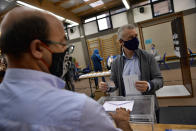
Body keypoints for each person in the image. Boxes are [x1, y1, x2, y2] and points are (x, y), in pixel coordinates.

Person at [0, 7, 133, 131]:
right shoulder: (80, 109)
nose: (66, 52)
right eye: (62, 44)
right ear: (38, 49)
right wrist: (121, 122)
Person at [99, 24, 163, 122]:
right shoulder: (116, 62)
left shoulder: (148, 57)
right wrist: (107, 86)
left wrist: (149, 85)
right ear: (121, 42)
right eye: (131, 37)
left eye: (136, 36)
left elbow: (160, 80)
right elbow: (114, 82)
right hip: (127, 108)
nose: (135, 39)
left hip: (147, 106)